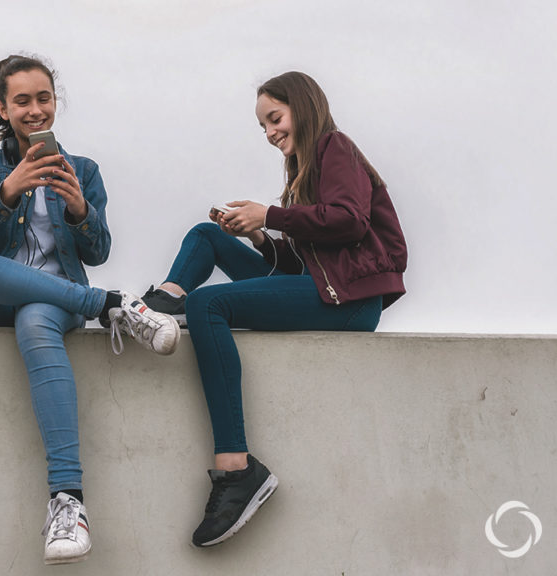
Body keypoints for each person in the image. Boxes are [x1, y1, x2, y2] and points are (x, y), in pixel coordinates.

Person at [138, 71, 407, 547]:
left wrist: (271, 214)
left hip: (350, 300)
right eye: (263, 126)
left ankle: (236, 469)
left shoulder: (334, 147)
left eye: (275, 118)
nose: (270, 133)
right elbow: (304, 262)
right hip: (321, 287)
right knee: (209, 235)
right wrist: (259, 236)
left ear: (302, 107)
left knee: (210, 304)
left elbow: (349, 221)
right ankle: (165, 302)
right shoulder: (305, 169)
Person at [0, 54, 180, 565]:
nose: (35, 110)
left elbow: (98, 250)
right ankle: (109, 304)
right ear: (1, 108)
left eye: (43, 98)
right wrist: (8, 191)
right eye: (21, 101)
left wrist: (81, 211)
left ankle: (68, 502)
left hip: (52, 303)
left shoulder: (83, 170)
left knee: (35, 314)